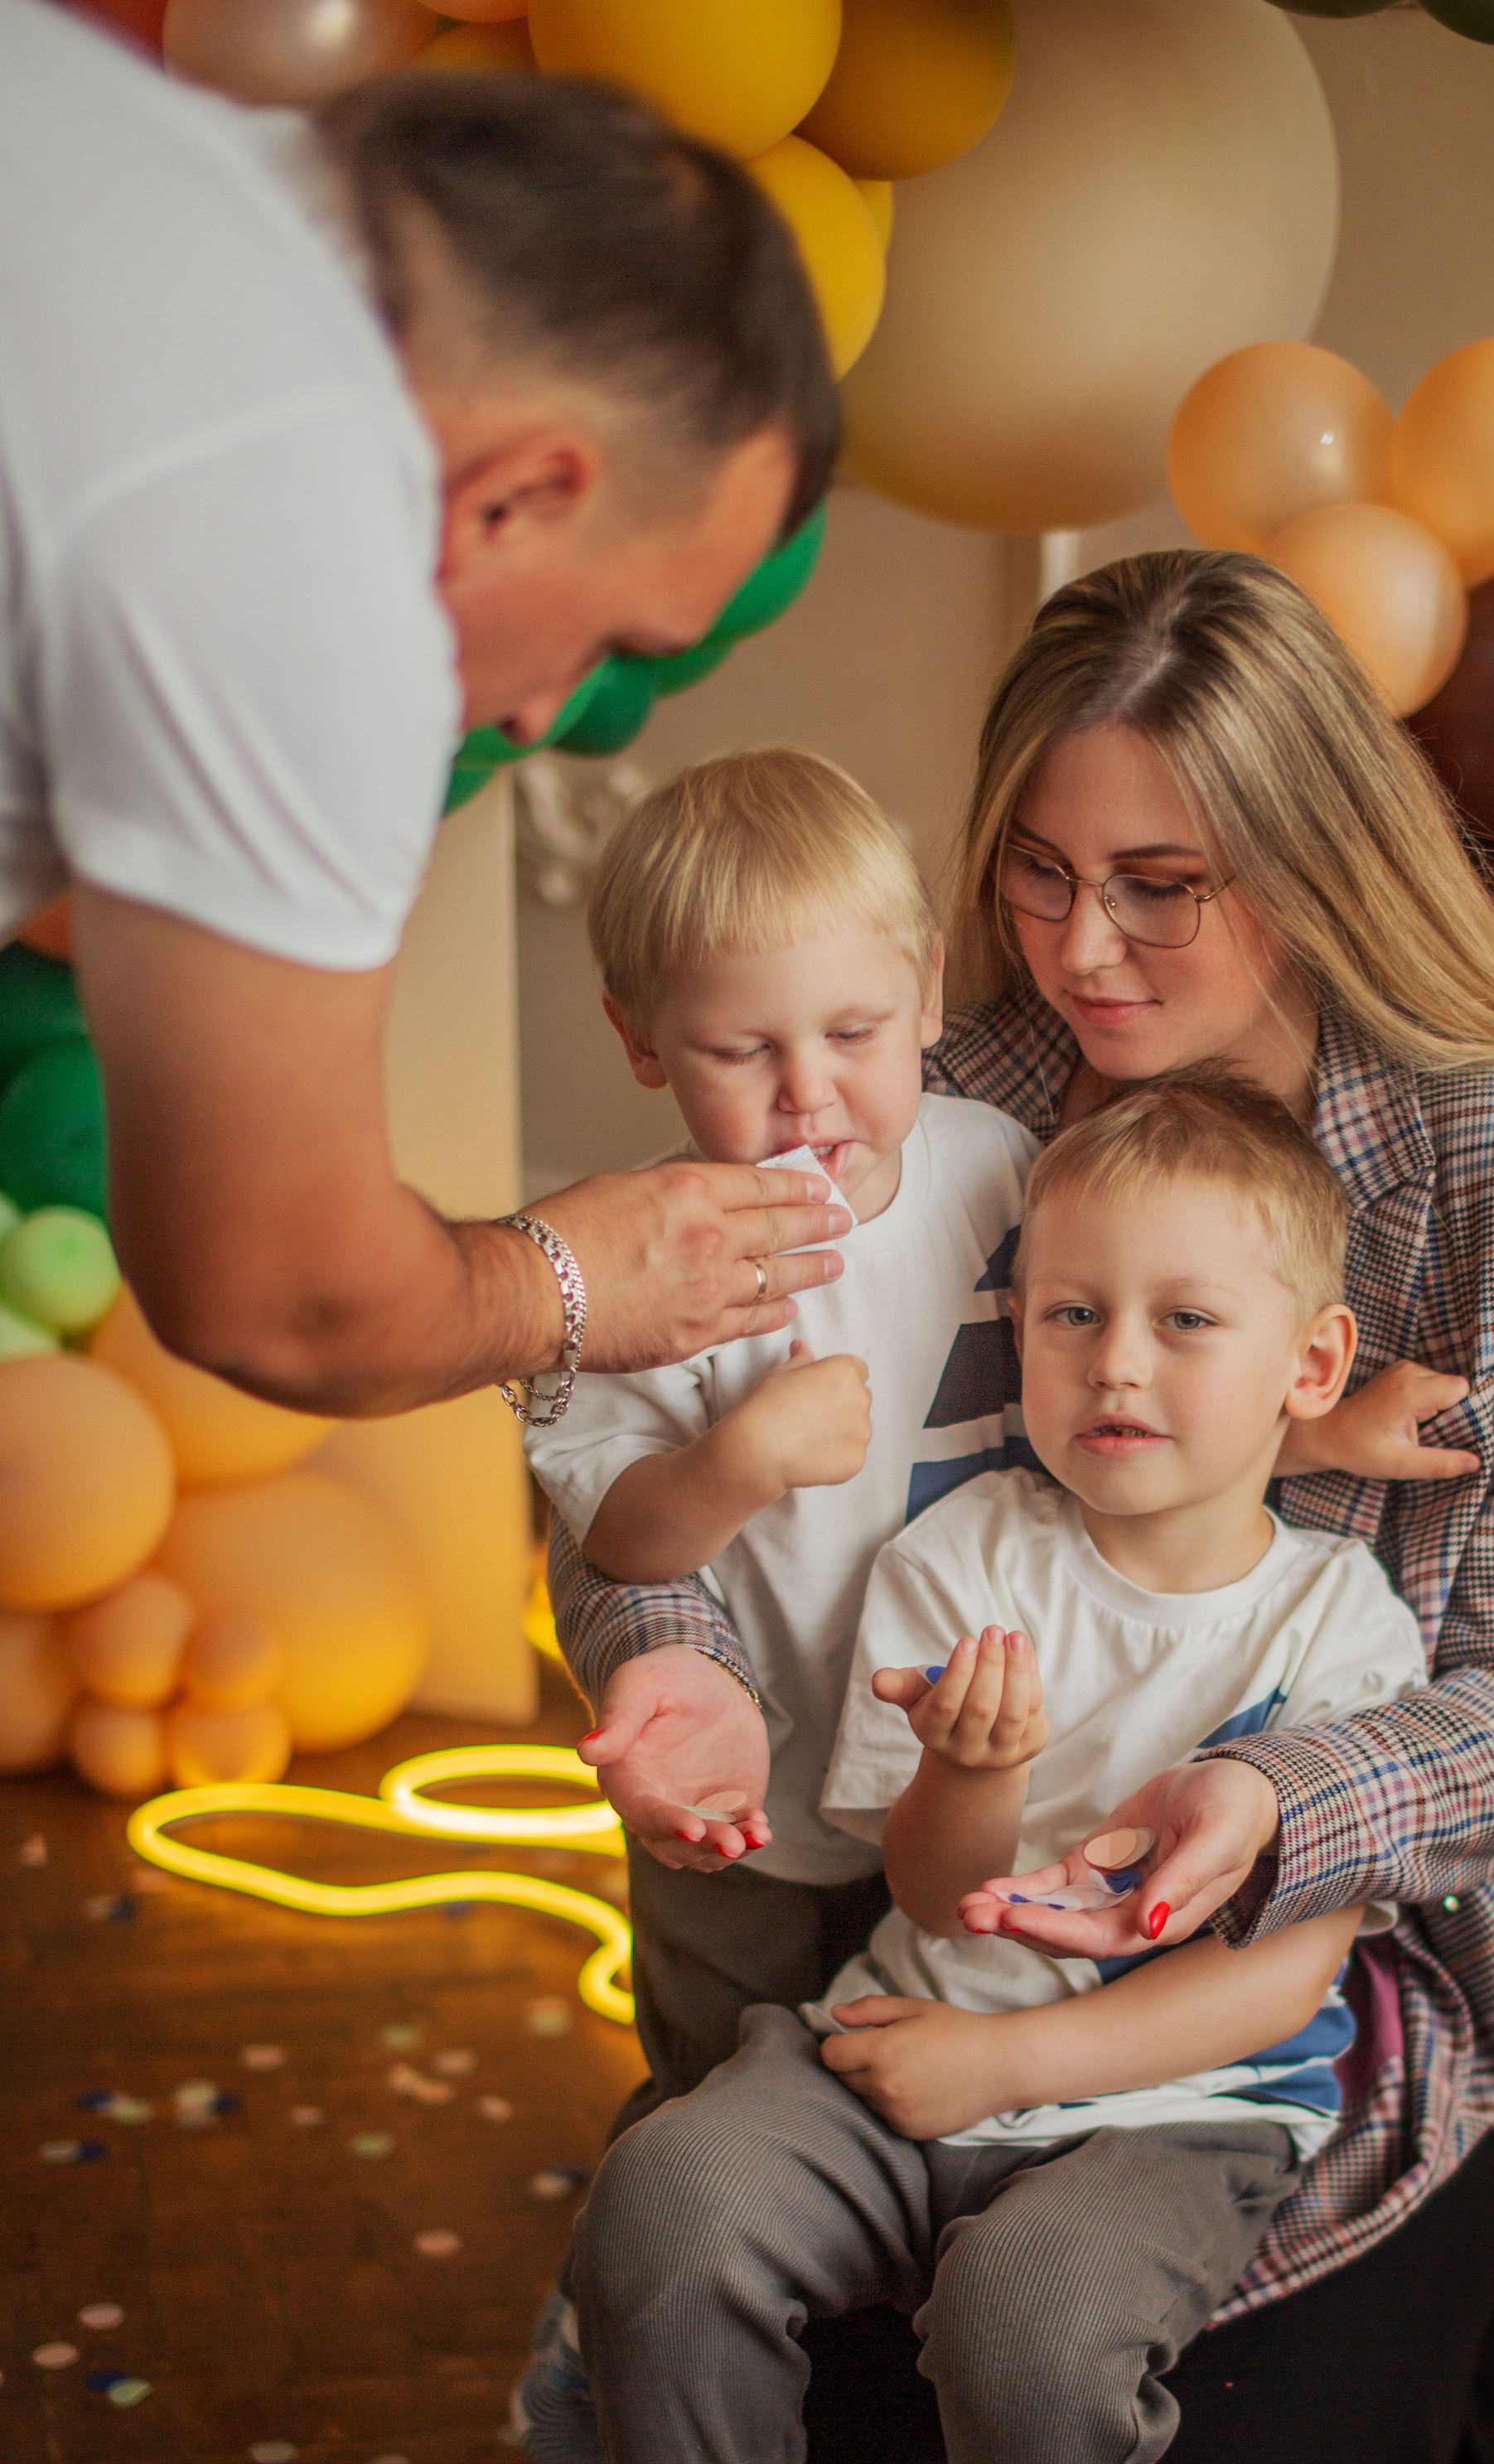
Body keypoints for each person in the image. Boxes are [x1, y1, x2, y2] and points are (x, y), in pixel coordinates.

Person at [554, 551, 1494, 2464]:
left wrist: (1285, 1800)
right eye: (1040, 879)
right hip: (958, 1920)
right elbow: (682, 1411)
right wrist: (654, 1648)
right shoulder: (958, 1098)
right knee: (808, 2400)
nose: (1083, 955)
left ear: (1311, 857)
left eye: (1161, 888)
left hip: (1346, 1977)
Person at [513, 747, 1438, 2464]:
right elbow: (610, 1539)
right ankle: (611, 2382)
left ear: (929, 998)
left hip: (974, 1791)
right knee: (715, 2137)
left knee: (922, 2145)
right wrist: (733, 1462)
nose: (805, 1098)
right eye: (737, 1052)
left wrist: (1307, 1436)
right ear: (640, 1042)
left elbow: (1118, 1378)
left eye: (852, 1032)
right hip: (757, 1814)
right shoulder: (632, 1258)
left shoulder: (1000, 1168)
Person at [569, 1070, 1429, 2464]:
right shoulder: (965, 1559)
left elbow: (1283, 1971)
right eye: (1066, 1314)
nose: (1114, 1365)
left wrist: (1017, 2063)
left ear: (1310, 1364)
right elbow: (927, 1888)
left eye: (1183, 1322)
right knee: (668, 2201)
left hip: (1175, 2091)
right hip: (904, 2025)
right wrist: (975, 1770)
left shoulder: (1333, 1626)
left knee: (1039, 2321)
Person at [3, 7, 850, 1416]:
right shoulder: (312, 531)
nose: (532, 725)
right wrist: (563, 1279)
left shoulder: (137, 154)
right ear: (523, 496)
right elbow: (277, 1296)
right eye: (604, 635)